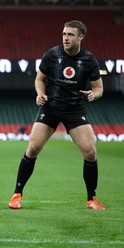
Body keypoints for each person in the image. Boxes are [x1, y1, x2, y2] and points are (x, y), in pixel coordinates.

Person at [8, 20, 105, 210]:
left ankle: (92, 198)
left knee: (90, 151)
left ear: (81, 37)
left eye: (70, 34)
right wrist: (40, 93)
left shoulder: (89, 60)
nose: (65, 38)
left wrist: (94, 94)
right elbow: (39, 79)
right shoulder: (52, 55)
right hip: (50, 107)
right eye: (64, 34)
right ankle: (16, 194)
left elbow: (99, 87)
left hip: (74, 109)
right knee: (33, 147)